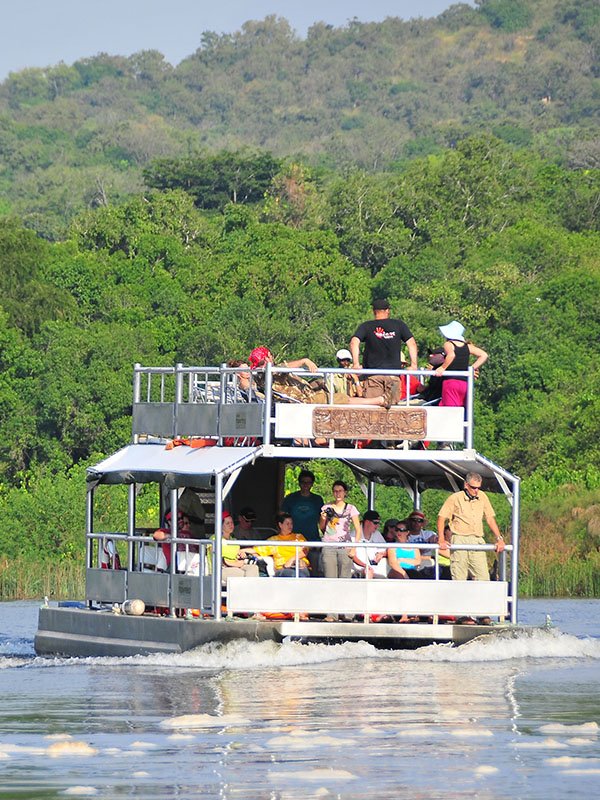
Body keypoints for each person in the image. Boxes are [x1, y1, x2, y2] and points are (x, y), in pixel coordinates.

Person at [248, 346, 390, 407]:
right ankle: (378, 400)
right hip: (303, 401)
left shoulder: (263, 374)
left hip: (304, 396)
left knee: (327, 388)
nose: (344, 363)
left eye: (347, 361)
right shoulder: (266, 374)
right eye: (341, 361)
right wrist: (305, 361)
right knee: (339, 398)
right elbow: (279, 369)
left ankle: (377, 399)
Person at [437, 472, 505, 582]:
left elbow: (490, 518)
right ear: (466, 485)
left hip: (477, 540)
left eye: (478, 487)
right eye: (473, 487)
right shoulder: (455, 498)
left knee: (483, 577)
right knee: (459, 576)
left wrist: (499, 539)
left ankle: (481, 597)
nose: (476, 490)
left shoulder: (482, 497)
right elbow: (441, 517)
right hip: (459, 538)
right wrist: (441, 539)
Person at [349, 298, 418, 407]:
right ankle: (382, 400)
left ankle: (380, 401)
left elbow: (354, 342)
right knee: (392, 408)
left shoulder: (366, 326)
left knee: (372, 410)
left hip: (373, 376)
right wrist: (414, 365)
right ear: (387, 310)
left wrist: (356, 364)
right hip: (393, 375)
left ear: (373, 311)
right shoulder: (399, 325)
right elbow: (412, 344)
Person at [435, 321, 488, 409]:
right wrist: (471, 369)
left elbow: (451, 355)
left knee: (450, 410)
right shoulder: (468, 346)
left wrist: (442, 368)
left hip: (451, 382)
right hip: (464, 383)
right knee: (462, 409)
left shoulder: (448, 344)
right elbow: (483, 355)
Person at [282, 469, 324, 576]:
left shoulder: (317, 499)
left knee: (315, 569)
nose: (306, 485)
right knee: (295, 568)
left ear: (312, 484)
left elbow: (322, 520)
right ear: (299, 483)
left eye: (308, 482)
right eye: (303, 482)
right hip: (295, 540)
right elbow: (282, 518)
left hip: (312, 539)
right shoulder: (291, 498)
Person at [255, 512, 311, 578]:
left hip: (300, 566)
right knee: (295, 575)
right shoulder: (273, 540)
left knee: (302, 573)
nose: (290, 526)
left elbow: (305, 551)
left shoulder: (299, 537)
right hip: (283, 568)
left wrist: (292, 559)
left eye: (291, 523)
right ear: (280, 525)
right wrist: (241, 551)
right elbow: (256, 550)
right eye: (287, 524)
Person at [220, 511, 260, 580]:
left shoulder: (234, 540)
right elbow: (219, 560)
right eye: (227, 523)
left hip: (237, 565)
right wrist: (237, 564)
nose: (231, 525)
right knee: (243, 574)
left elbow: (236, 555)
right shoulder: (215, 539)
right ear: (220, 525)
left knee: (254, 568)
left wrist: (241, 554)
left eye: (232, 522)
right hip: (222, 569)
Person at [349, 510, 388, 578]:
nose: (377, 525)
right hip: (358, 568)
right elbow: (352, 556)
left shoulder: (377, 534)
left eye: (379, 523)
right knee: (368, 571)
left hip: (374, 567)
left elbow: (387, 550)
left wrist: (381, 554)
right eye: (375, 523)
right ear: (367, 522)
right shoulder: (353, 535)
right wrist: (365, 565)